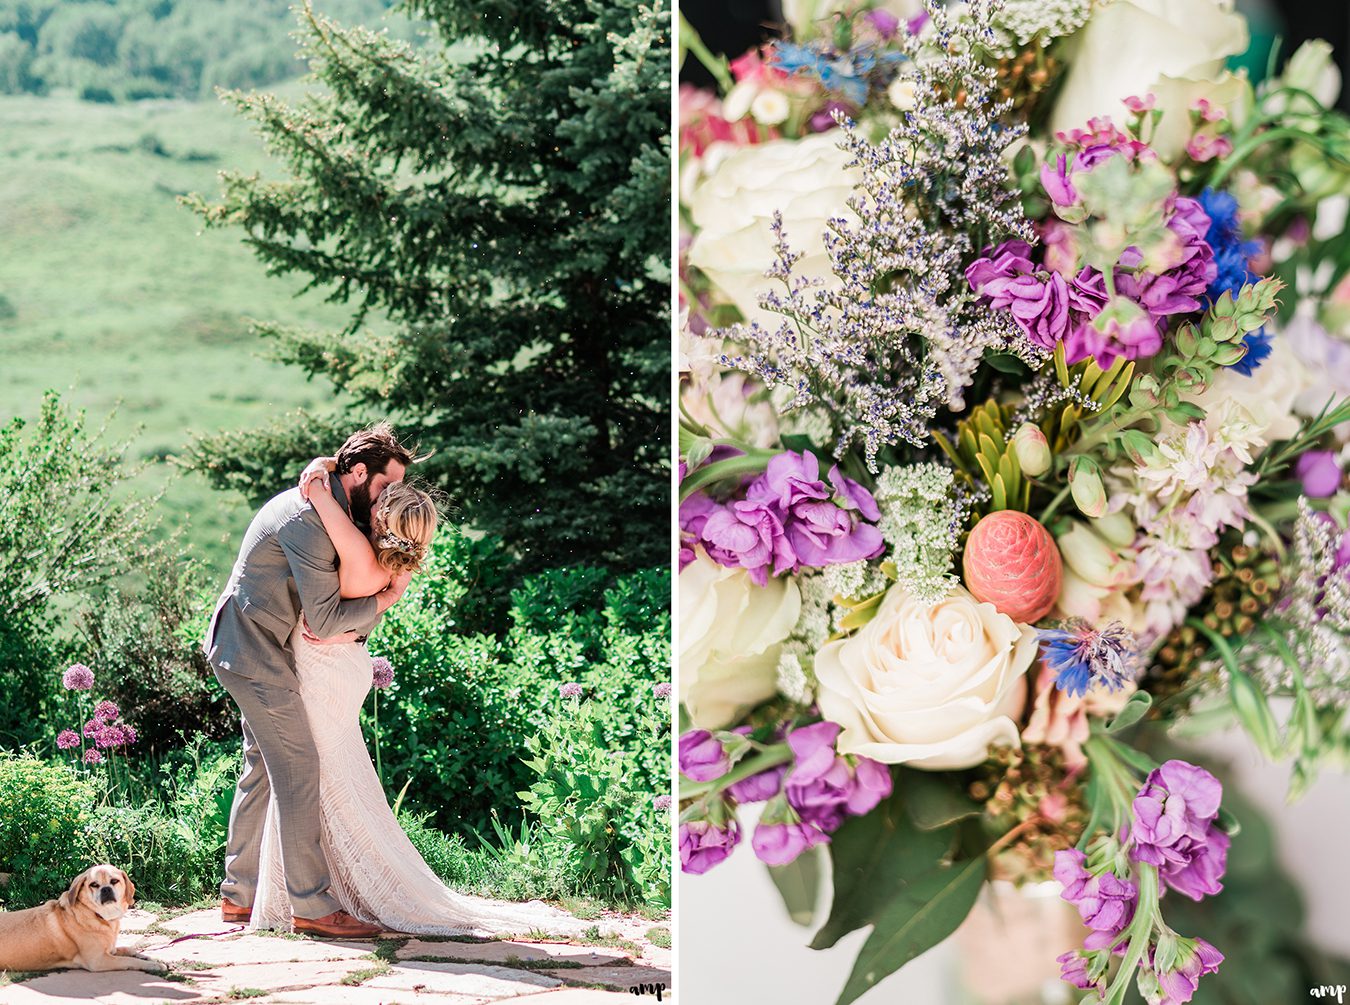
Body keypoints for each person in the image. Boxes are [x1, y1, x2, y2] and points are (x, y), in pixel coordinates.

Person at [245, 461, 585, 938]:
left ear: (384, 522)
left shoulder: (361, 560)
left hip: (323, 673)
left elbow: (322, 615)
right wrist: (323, 465)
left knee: (305, 778)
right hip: (344, 670)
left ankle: (305, 900)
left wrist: (320, 490)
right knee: (330, 780)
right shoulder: (390, 566)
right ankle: (320, 892)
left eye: (383, 504)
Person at [204, 422, 416, 939]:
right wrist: (385, 600)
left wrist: (323, 465)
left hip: (253, 644)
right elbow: (323, 621)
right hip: (250, 649)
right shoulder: (308, 519)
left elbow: (328, 471)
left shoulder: (329, 501)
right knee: (298, 764)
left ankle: (239, 897)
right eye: (387, 487)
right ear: (359, 474)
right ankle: (312, 906)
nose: (392, 498)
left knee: (261, 765)